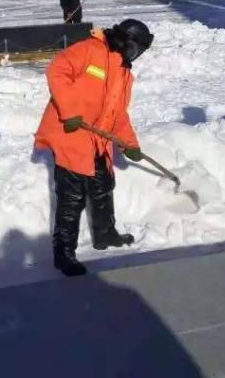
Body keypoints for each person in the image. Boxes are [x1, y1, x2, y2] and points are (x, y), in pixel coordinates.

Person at [34, 19, 154, 276]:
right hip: (71, 132)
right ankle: (63, 253)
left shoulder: (124, 72)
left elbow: (117, 113)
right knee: (72, 196)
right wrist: (70, 111)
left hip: (97, 139)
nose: (138, 55)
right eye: (137, 49)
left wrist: (129, 145)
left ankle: (105, 234)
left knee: (103, 185)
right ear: (126, 40)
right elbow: (57, 70)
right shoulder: (90, 50)